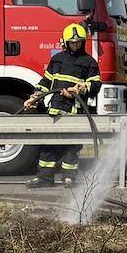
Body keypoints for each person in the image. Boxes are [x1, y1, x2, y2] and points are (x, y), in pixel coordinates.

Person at [25, 22, 100, 187]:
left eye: (78, 42)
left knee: (71, 148)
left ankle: (69, 178)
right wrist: (35, 97)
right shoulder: (57, 60)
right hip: (56, 110)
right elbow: (46, 82)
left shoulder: (89, 62)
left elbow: (95, 85)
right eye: (72, 42)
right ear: (65, 42)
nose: (75, 44)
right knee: (48, 145)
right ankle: (45, 178)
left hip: (76, 112)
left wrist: (79, 89)